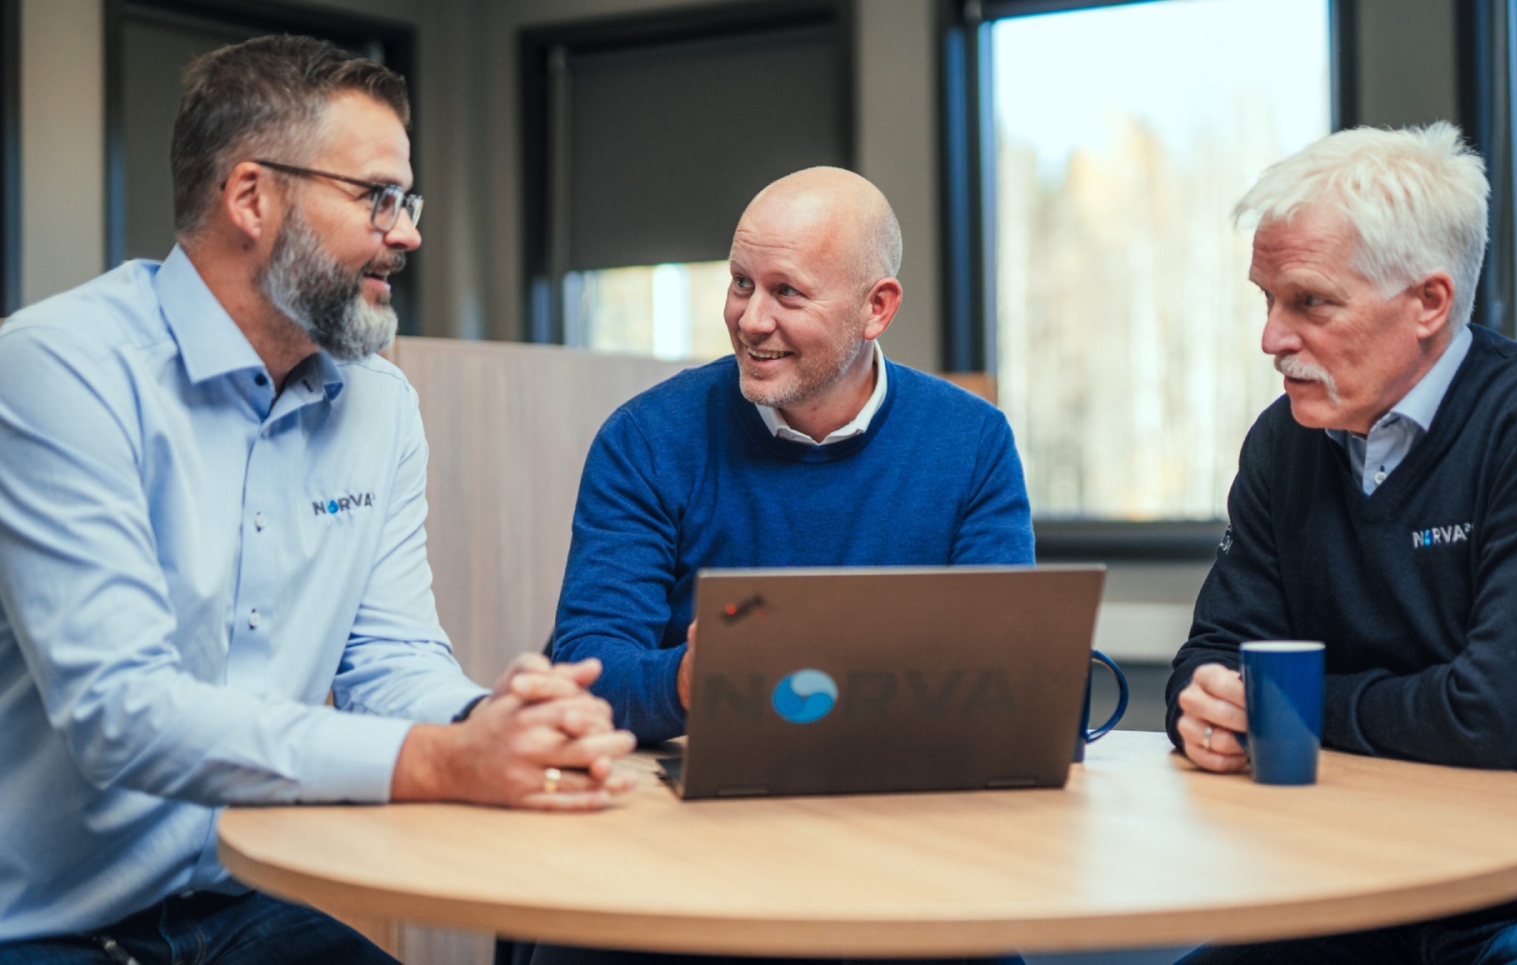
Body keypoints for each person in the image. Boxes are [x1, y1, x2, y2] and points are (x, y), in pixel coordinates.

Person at [0, 36, 634, 965]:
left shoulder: (379, 403)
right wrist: (433, 762)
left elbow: (391, 660)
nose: (409, 230)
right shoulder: (59, 369)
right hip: (45, 926)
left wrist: (490, 722)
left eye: (406, 200)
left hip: (239, 903)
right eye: (378, 197)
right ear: (252, 196)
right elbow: (121, 712)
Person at [501, 167, 1034, 965]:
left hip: (902, 843)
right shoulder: (646, 439)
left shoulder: (972, 442)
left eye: (788, 293)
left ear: (876, 308)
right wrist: (691, 681)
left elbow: (1008, 678)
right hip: (684, 850)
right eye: (740, 283)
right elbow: (585, 673)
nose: (751, 319)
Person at [1167, 123, 1517, 963]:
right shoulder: (1283, 442)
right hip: (1352, 887)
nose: (1271, 339)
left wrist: (1279, 707)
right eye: (1266, 300)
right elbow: (1213, 652)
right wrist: (1206, 709)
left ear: (1430, 304)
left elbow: (1492, 721)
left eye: (1310, 302)